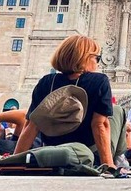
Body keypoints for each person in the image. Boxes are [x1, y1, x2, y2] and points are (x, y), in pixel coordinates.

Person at [14, 35, 122, 168]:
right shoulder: (99, 81)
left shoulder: (46, 81)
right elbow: (100, 125)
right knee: (117, 110)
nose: (98, 63)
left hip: (53, 151)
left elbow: (31, 126)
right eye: (97, 58)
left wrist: (15, 161)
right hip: (85, 153)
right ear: (84, 58)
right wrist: (108, 165)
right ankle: (120, 159)